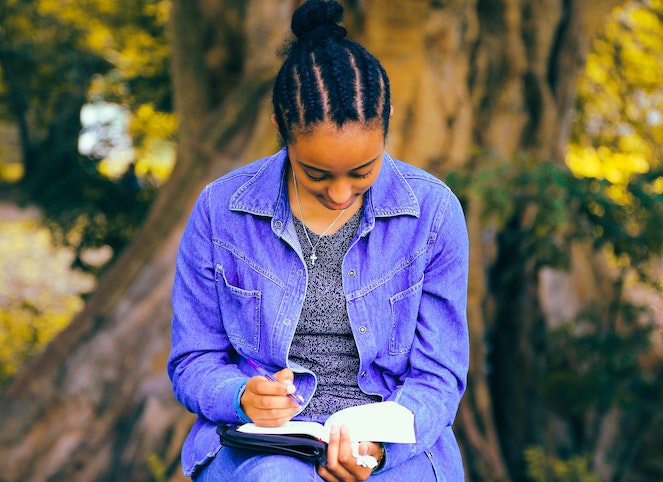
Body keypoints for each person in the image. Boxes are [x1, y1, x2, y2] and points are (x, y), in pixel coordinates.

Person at [167, 0, 469, 480]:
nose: (340, 193)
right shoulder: (220, 210)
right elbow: (193, 359)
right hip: (265, 446)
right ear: (280, 130)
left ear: (386, 120)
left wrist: (375, 450)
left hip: (392, 445)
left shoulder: (432, 213)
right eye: (316, 174)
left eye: (362, 171)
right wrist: (240, 396)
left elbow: (439, 375)